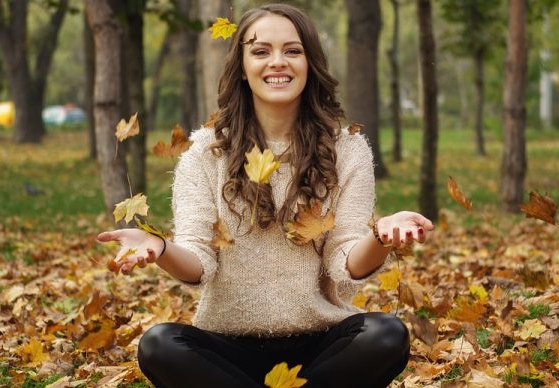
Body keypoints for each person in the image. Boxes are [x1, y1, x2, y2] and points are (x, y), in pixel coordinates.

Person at [97, 4, 434, 387]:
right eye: (261, 51)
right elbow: (197, 260)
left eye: (292, 51)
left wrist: (380, 236)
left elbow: (346, 260)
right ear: (242, 67)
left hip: (321, 347)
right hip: (228, 349)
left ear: (310, 63)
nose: (278, 62)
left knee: (386, 334)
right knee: (159, 344)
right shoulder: (205, 153)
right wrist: (159, 247)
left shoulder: (348, 150)